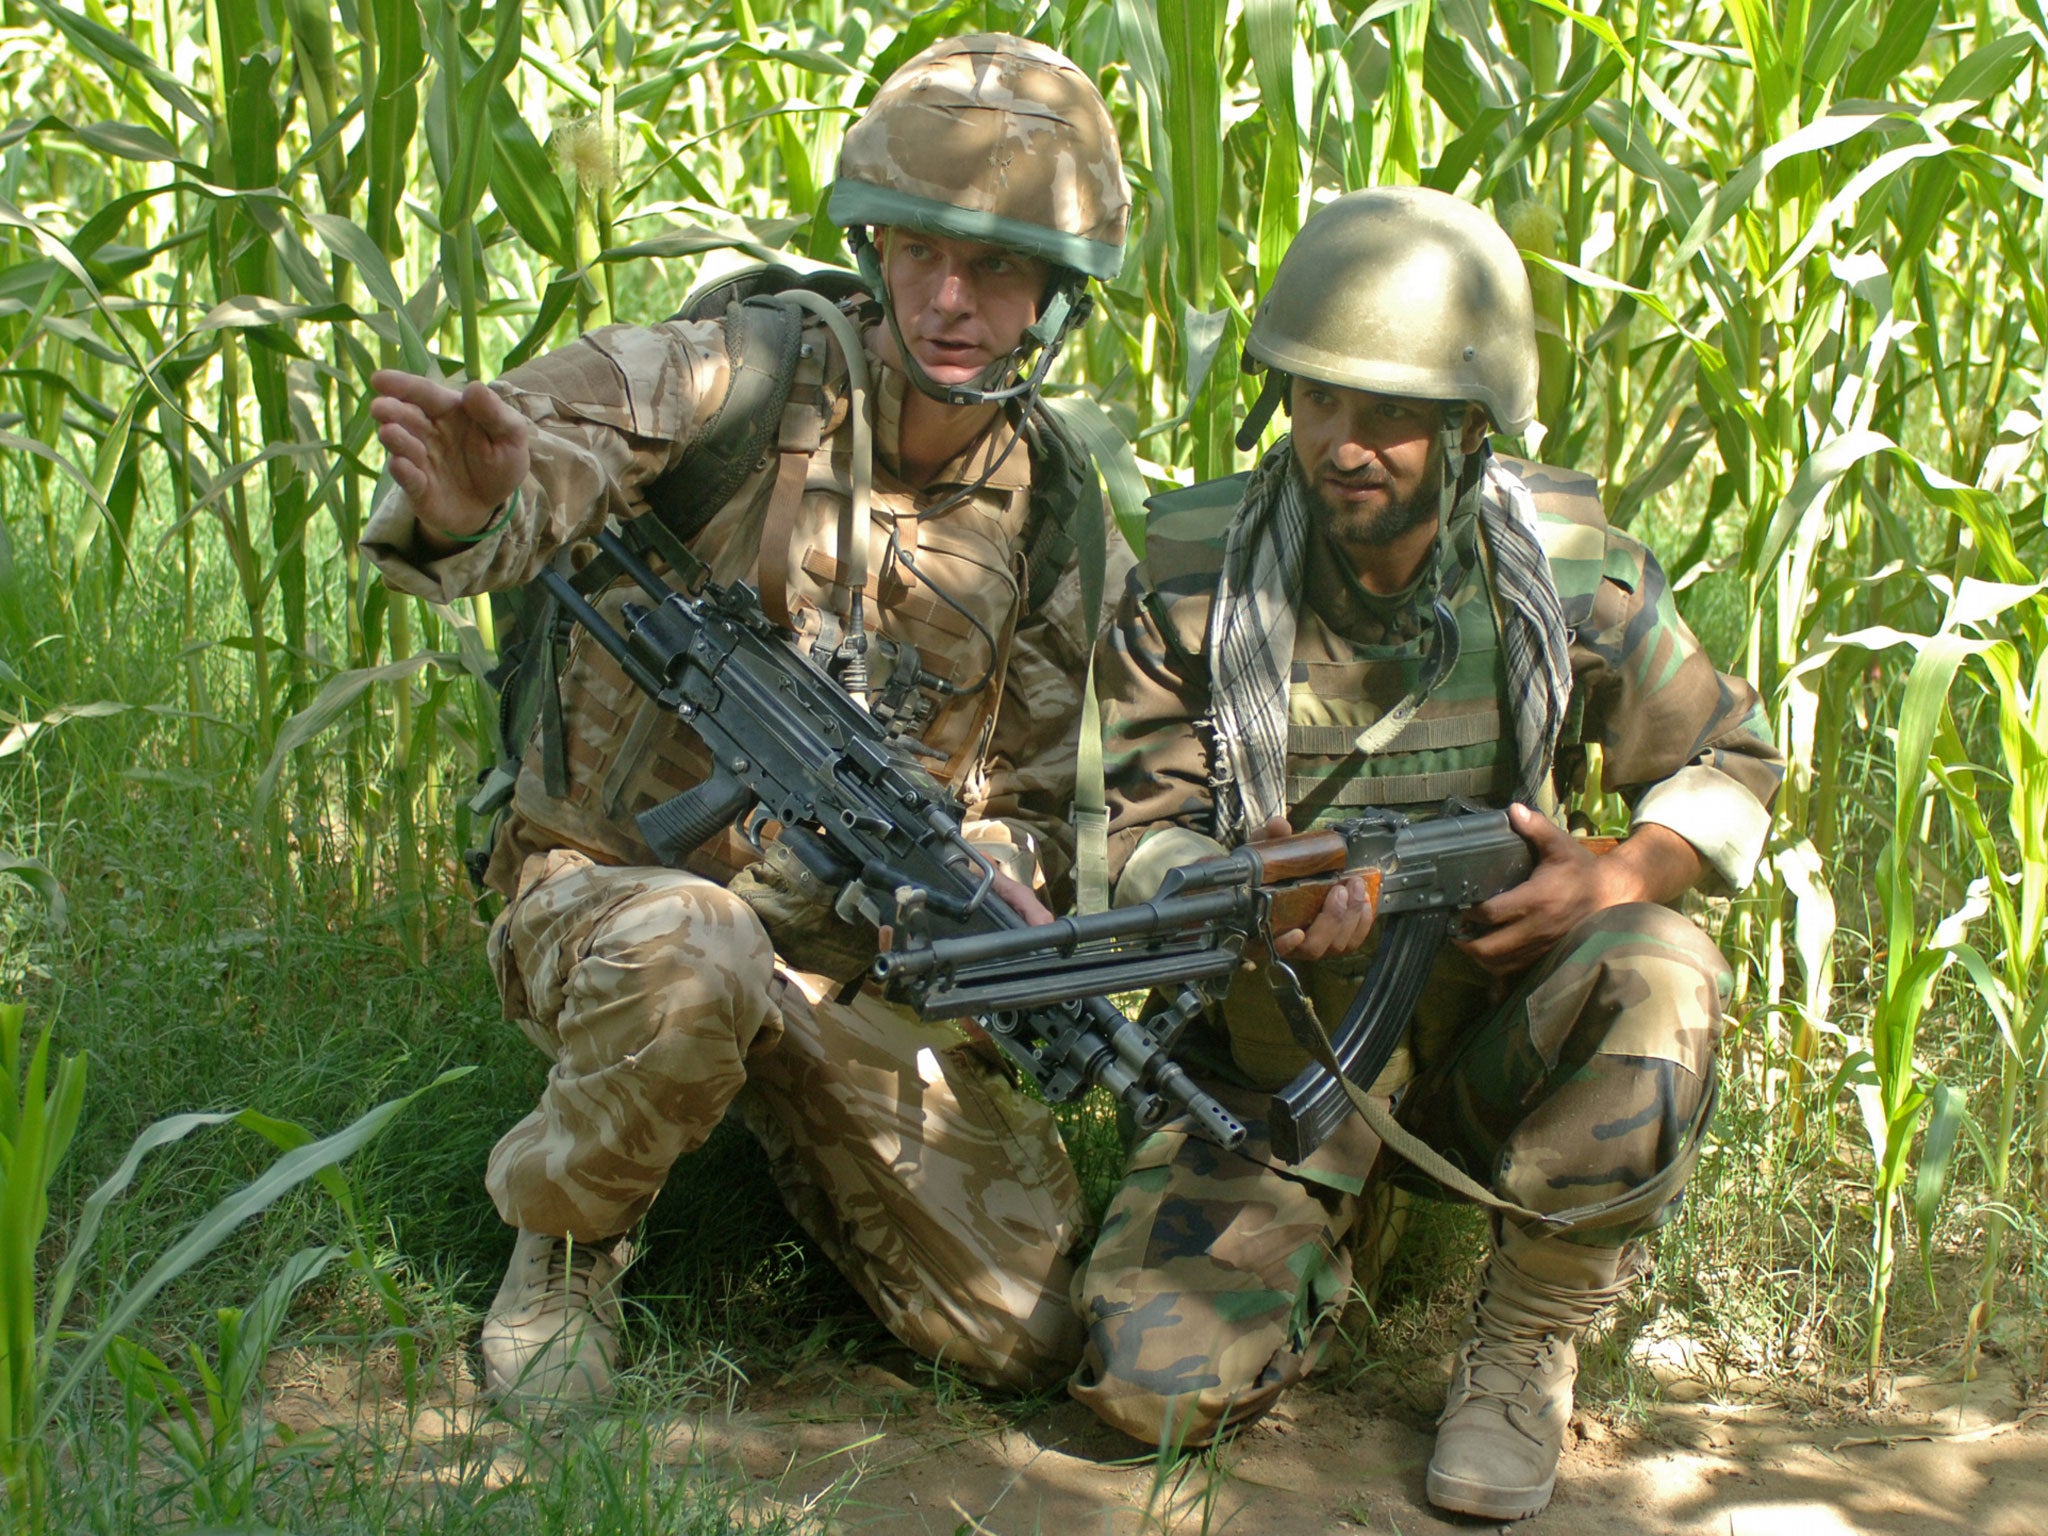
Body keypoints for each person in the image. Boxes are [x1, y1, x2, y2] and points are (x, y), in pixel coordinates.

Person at [361, 33, 1132, 1405]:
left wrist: (998, 878)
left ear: (1058, 297)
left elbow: (1032, 783)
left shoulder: (1054, 503)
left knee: (1027, 1337)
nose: (951, 299)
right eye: (918, 253)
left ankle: (767, 1127)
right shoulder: (747, 369)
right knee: (696, 947)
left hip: (850, 956)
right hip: (618, 899)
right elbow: (548, 439)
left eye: (999, 266)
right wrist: (475, 506)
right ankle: (568, 1242)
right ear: (874, 246)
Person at [1069, 186, 1783, 1521]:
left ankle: (1525, 1337)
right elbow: (1131, 841)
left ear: (1471, 422)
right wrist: (1236, 901)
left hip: (1490, 1034)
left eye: (1392, 411)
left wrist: (1620, 873)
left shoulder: (1574, 578)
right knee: (1145, 1388)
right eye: (1319, 401)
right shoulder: (1192, 581)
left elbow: (1728, 762)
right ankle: (1330, 1228)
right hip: (1280, 1047)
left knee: (1664, 962)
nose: (1347, 443)